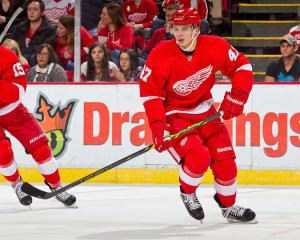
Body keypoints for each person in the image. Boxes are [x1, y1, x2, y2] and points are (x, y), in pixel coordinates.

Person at [139, 8, 257, 223]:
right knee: (198, 157)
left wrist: (239, 96)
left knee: (226, 163)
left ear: (196, 29)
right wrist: (157, 125)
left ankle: (228, 207)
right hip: (175, 114)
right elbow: (150, 94)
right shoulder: (160, 53)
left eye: (185, 28)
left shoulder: (215, 46)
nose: (179, 34)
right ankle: (187, 192)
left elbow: (242, 66)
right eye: (176, 28)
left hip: (205, 110)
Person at [0, 46, 76, 207]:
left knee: (41, 149)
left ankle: (57, 187)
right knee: (2, 152)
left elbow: (19, 90)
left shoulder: (6, 56)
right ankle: (18, 184)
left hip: (12, 110)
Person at [10, 0, 56, 66]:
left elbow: (44, 51)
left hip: (36, 63)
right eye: (29, 9)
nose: (31, 12)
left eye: (35, 9)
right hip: (18, 61)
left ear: (42, 12)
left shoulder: (49, 30)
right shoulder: (20, 27)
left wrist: (22, 58)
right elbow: (12, 44)